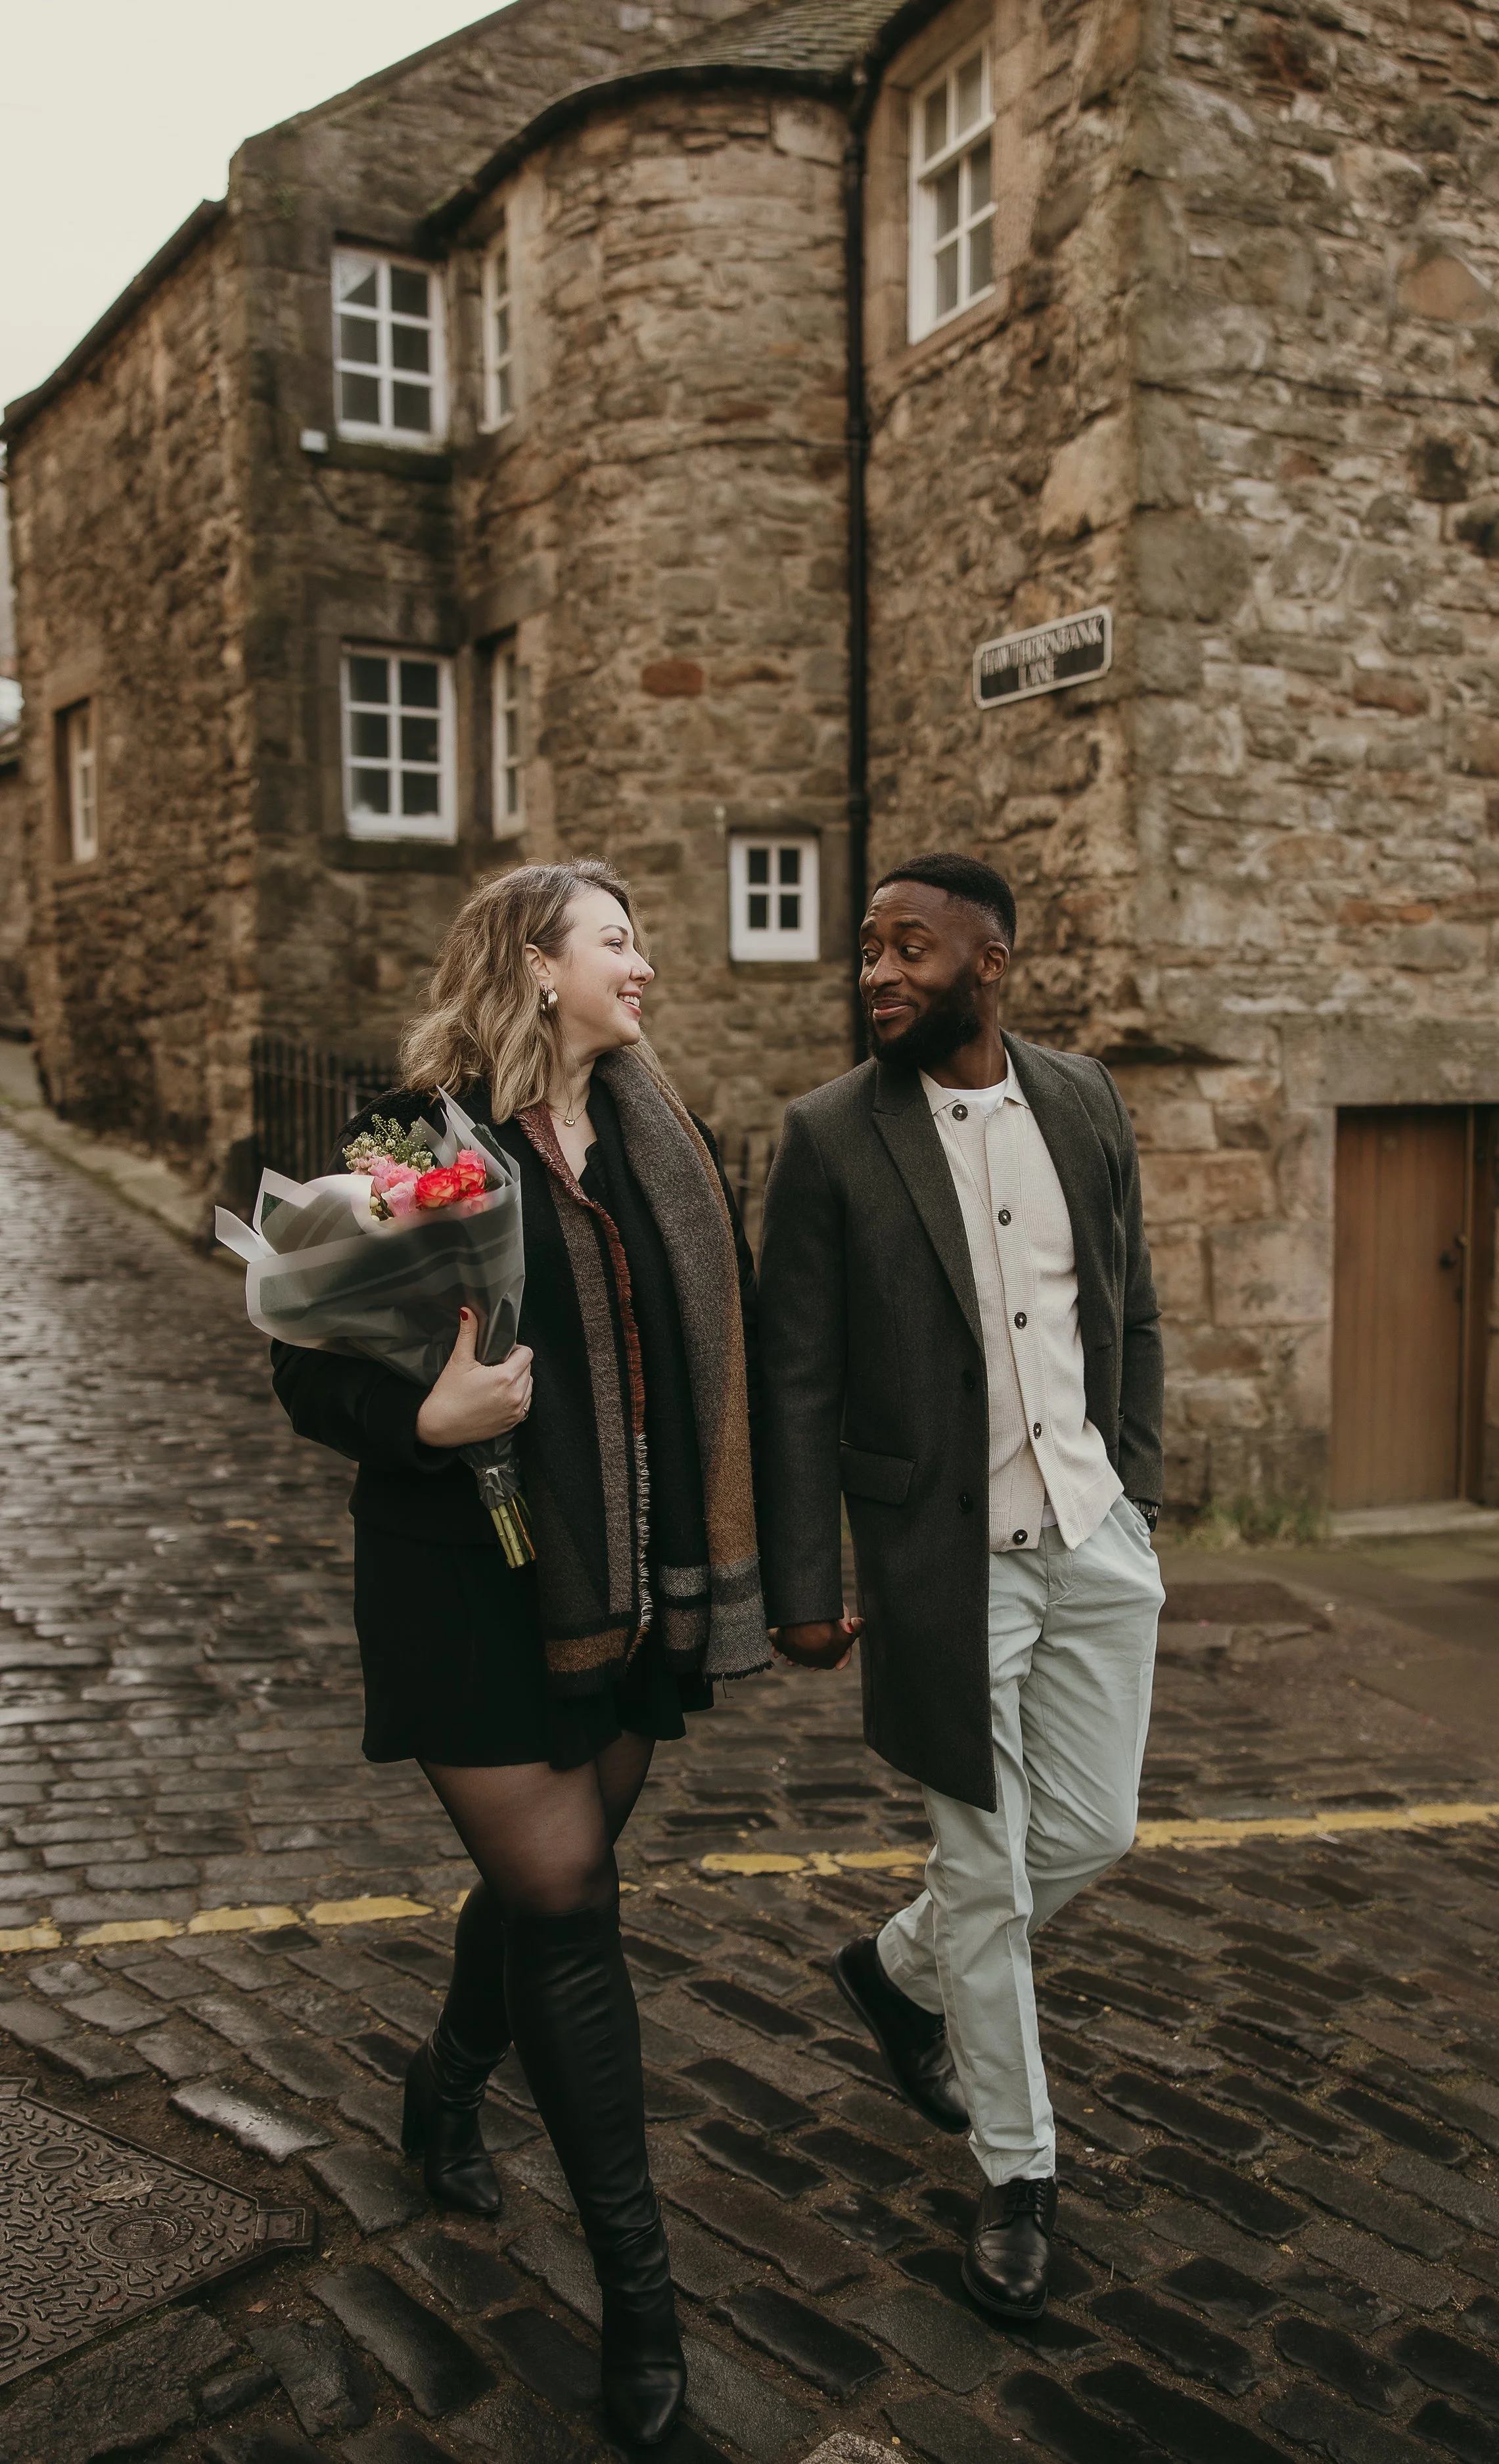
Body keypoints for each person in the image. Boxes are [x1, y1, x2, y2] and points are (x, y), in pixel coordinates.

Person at [272, 859, 766, 2447]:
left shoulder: (660, 1138)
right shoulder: (409, 1137)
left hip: (622, 1587)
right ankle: (641, 2302)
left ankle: (445, 2079)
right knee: (564, 1896)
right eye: (619, 939)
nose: (647, 965)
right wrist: (424, 1413)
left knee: (547, 1876)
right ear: (536, 967)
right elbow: (305, 1357)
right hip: (466, 1585)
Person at [757, 851, 1165, 2320]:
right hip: (943, 1569)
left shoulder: (1084, 1099)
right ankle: (1016, 2172)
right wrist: (804, 1583)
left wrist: (1138, 1496)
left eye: (909, 948)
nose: (877, 970)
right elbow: (794, 1379)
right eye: (868, 947)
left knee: (1094, 1830)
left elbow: (1129, 1309)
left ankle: (892, 1971)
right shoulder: (827, 1136)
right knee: (986, 1876)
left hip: (1094, 1537)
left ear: (987, 966)